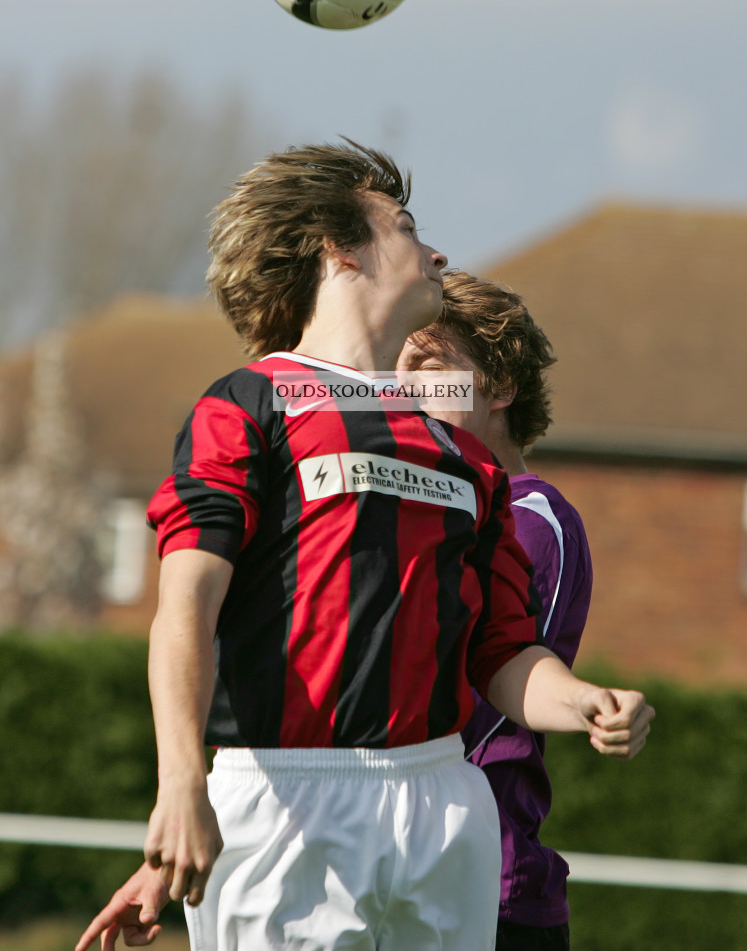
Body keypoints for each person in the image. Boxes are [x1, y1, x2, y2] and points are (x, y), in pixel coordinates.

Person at [75, 141, 653, 951]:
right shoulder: (249, 402)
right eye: (407, 228)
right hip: (287, 798)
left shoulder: (467, 458)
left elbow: (502, 655)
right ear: (338, 248)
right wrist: (181, 783)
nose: (438, 252)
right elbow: (185, 608)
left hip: (444, 801)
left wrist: (583, 701)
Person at [399, 271, 593, 951]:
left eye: (428, 368)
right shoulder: (410, 515)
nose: (404, 389)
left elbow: (475, 705)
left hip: (490, 889)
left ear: (500, 387)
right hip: (402, 875)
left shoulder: (530, 520)